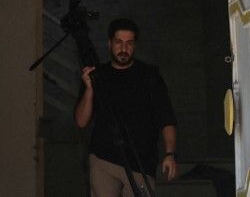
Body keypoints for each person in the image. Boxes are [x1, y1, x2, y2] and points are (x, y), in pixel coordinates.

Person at [74, 18, 178, 197]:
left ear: (135, 45)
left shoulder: (149, 75)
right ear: (109, 43)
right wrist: (89, 89)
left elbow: (166, 117)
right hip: (104, 158)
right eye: (118, 42)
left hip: (141, 161)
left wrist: (170, 154)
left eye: (129, 43)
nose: (124, 49)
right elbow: (81, 121)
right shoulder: (97, 75)